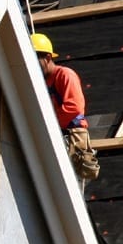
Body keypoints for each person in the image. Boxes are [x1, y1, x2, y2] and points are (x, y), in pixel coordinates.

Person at [31, 33, 100, 181]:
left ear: (48, 58)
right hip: (58, 133)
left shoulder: (64, 75)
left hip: (71, 136)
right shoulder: (42, 81)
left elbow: (74, 107)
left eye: (35, 60)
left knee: (69, 181)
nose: (32, 65)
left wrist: (48, 124)